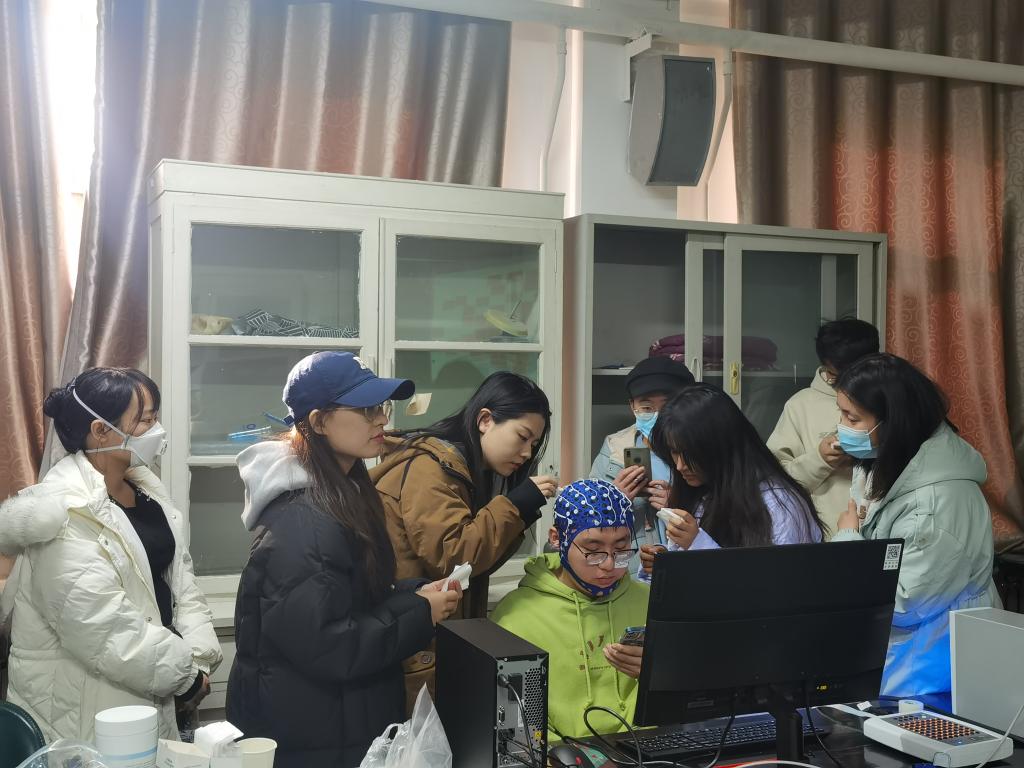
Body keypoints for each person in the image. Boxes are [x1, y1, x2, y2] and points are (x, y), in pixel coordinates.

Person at [227, 352, 461, 768]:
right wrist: (420, 613)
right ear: (318, 422)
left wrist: (414, 593)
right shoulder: (305, 520)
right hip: (313, 736)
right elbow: (330, 645)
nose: (382, 420)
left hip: (334, 722)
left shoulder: (341, 492)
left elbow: (348, 598)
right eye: (366, 410)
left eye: (381, 407)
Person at [0, 367, 221, 742]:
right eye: (145, 421)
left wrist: (198, 659)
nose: (157, 430)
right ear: (101, 430)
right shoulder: (64, 512)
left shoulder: (149, 494)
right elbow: (102, 624)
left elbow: (181, 587)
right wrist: (184, 676)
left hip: (160, 684)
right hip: (89, 708)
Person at [371, 371, 556, 708]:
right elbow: (454, 556)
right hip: (413, 647)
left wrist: (519, 510)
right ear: (485, 420)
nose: (527, 453)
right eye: (522, 437)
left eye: (533, 445)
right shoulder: (431, 468)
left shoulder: (463, 470)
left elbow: (479, 561)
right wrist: (515, 506)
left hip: (431, 641)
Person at [831, 353, 999, 697]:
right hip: (904, 650)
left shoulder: (936, 505)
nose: (842, 427)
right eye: (842, 414)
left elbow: (906, 602)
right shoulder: (892, 458)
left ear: (893, 421)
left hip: (927, 667)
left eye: (852, 418)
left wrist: (848, 538)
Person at [491, 479, 647, 741]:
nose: (609, 565)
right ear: (557, 538)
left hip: (649, 749)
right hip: (559, 754)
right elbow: (516, 728)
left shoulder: (649, 603)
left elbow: (688, 702)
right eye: (593, 551)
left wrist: (659, 675)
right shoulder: (515, 618)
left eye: (621, 549)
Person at [640, 384, 824, 574]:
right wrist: (667, 561)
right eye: (674, 452)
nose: (680, 466)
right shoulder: (702, 491)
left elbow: (774, 584)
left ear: (721, 447)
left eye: (690, 454)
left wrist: (697, 545)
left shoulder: (778, 506)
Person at [768, 318, 880, 535]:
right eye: (837, 376)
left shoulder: (890, 401)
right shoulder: (800, 406)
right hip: (824, 537)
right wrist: (819, 460)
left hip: (884, 532)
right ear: (827, 365)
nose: (847, 385)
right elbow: (775, 485)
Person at [590, 356, 695, 579]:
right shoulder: (615, 448)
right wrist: (614, 499)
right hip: (628, 574)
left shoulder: (700, 451)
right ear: (633, 406)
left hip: (687, 570)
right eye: (646, 407)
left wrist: (678, 503)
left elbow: (720, 518)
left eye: (668, 406)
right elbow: (588, 520)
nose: (657, 416)